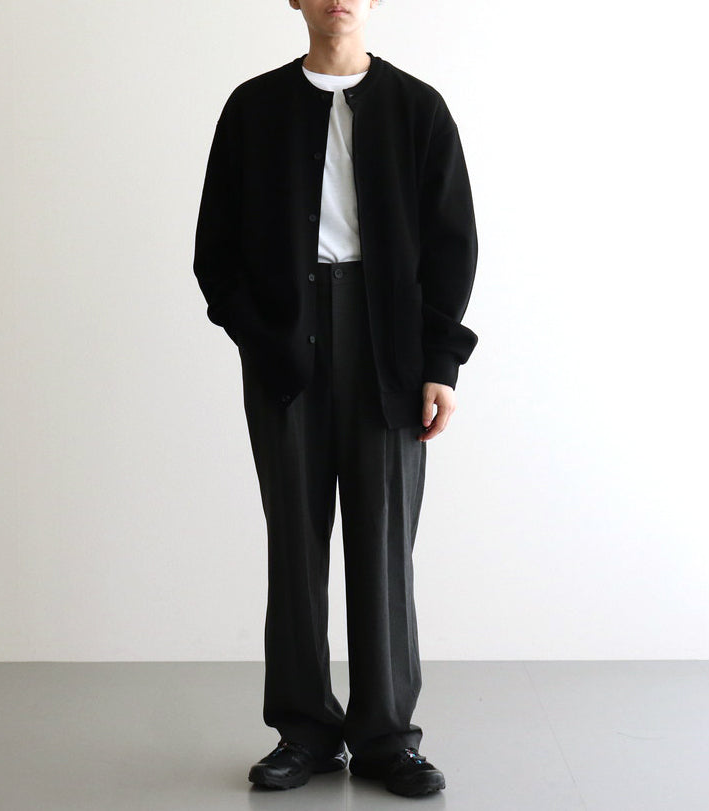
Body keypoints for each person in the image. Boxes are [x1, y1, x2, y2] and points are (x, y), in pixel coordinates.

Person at [193, 0, 478, 798]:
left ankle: (386, 736)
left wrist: (440, 362)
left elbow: (453, 243)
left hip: (390, 348)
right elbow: (215, 247)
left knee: (384, 547)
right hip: (287, 350)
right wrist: (263, 334)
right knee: (295, 541)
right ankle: (305, 731)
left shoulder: (418, 109)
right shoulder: (253, 108)